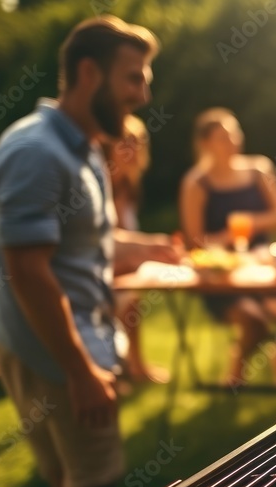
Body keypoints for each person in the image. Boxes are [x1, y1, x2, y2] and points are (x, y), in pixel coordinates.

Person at [0, 16, 179, 487]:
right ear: (89, 73)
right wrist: (81, 370)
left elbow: (86, 240)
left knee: (71, 473)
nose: (143, 95)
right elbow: (29, 271)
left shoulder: (84, 146)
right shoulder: (37, 152)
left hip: (55, 345)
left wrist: (148, 246)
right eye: (134, 79)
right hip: (55, 352)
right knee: (94, 478)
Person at [178, 108, 276, 391]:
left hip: (263, 268)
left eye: (235, 133)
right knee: (254, 321)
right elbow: (195, 242)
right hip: (223, 278)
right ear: (204, 143)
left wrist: (248, 224)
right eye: (223, 136)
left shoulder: (261, 169)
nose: (233, 141)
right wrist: (226, 237)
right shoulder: (196, 183)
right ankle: (235, 375)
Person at [105, 113, 168, 384]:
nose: (131, 149)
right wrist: (151, 245)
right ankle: (120, 370)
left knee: (133, 301)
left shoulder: (129, 186)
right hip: (100, 275)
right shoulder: (102, 183)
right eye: (125, 142)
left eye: (137, 142)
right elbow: (104, 238)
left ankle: (136, 365)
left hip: (120, 272)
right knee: (127, 303)